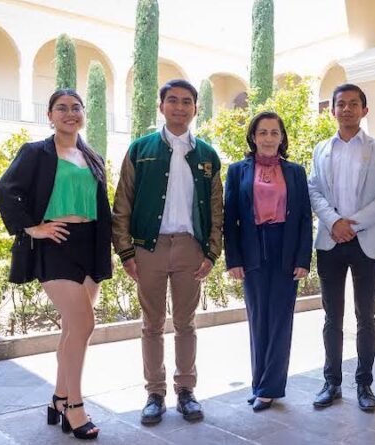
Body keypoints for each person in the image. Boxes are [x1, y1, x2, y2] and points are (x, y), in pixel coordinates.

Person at [0, 89, 111, 440]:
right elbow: (4, 190)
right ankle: (75, 406)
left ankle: (59, 398)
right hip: (56, 244)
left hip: (90, 244)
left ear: (83, 113)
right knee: (85, 324)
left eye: (76, 108)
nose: (70, 113)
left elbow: (100, 205)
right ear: (50, 115)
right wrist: (33, 227)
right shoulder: (35, 152)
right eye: (62, 108)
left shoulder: (92, 156)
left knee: (73, 329)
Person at [111, 79, 223, 424]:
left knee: (186, 324)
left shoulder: (207, 155)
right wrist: (126, 252)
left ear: (195, 109)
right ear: (161, 106)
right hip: (150, 248)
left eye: (186, 101)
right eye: (172, 100)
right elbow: (122, 202)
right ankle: (155, 393)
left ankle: (186, 390)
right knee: (152, 325)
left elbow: (217, 208)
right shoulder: (140, 149)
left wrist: (211, 252)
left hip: (190, 247)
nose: (179, 107)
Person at [307, 83, 375, 411]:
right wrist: (334, 222)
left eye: (353, 103)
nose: (346, 109)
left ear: (364, 110)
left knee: (366, 316)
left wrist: (352, 224)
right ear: (332, 110)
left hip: (365, 243)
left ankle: (364, 384)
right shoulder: (321, 149)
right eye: (341, 104)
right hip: (330, 242)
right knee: (332, 316)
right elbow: (313, 190)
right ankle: (331, 382)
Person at [224, 111, 313, 412]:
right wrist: (233, 259)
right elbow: (230, 218)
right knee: (257, 318)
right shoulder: (237, 171)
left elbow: (304, 218)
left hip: (285, 248)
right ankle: (259, 383)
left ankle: (270, 387)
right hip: (252, 248)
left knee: (280, 319)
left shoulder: (295, 172)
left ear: (282, 137)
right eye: (262, 132)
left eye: (274, 132)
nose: (268, 138)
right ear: (253, 136)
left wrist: (303, 258)